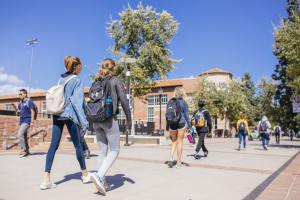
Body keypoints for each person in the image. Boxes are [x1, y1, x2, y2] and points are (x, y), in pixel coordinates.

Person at [40, 56, 91, 190]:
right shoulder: (78, 80)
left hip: (57, 113)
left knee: (53, 145)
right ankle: (85, 175)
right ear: (77, 66)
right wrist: (84, 121)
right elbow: (77, 103)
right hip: (70, 115)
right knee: (78, 145)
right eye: (80, 65)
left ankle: (46, 179)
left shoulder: (61, 79)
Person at [90, 58, 132, 194]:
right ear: (113, 68)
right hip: (108, 118)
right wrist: (129, 119)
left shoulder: (96, 81)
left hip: (95, 118)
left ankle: (103, 182)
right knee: (115, 150)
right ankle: (99, 175)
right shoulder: (115, 80)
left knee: (102, 152)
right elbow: (124, 101)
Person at [166, 87, 191, 168]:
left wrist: (167, 125)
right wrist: (189, 126)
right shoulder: (184, 101)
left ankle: (170, 158)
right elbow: (186, 115)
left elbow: (168, 114)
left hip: (172, 123)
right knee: (180, 142)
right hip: (181, 122)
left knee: (174, 141)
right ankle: (178, 163)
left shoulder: (170, 101)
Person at [11, 89, 35, 157]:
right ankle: (27, 151)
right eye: (19, 94)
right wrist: (15, 108)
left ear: (25, 94)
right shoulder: (20, 102)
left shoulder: (29, 101)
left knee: (20, 134)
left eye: (21, 94)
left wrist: (32, 121)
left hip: (27, 121)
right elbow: (18, 113)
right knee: (23, 136)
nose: (19, 95)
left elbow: (32, 111)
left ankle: (23, 150)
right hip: (21, 121)